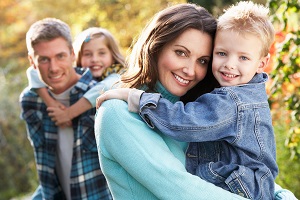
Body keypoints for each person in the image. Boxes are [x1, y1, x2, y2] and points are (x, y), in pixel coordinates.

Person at [95, 2, 298, 200]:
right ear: (156, 47)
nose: (190, 70)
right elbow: (181, 189)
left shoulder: (198, 111)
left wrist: (281, 195)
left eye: (202, 61)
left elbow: (249, 171)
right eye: (181, 53)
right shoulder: (117, 112)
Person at [19, 18, 112, 199]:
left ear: (72, 54)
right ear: (32, 61)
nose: (53, 68)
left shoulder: (102, 97)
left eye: (60, 56)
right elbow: (49, 168)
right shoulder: (31, 100)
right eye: (44, 59)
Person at [26, 27, 125, 127]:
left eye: (101, 53)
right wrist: (50, 102)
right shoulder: (75, 74)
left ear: (112, 55)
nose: (94, 59)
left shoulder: (118, 75)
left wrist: (68, 114)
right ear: (76, 56)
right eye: (87, 54)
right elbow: (32, 71)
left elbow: (103, 88)